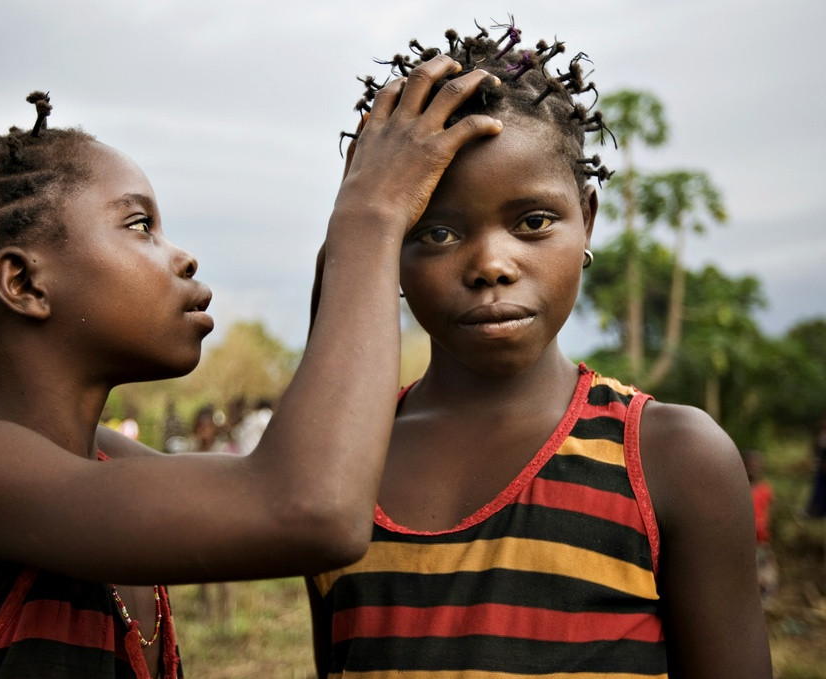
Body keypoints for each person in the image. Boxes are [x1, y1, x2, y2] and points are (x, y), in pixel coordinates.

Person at [0, 62, 502, 679]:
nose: (182, 257)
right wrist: (371, 216)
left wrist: (350, 244)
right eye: (140, 225)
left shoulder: (109, 463)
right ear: (24, 282)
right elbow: (311, 509)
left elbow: (301, 471)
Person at [306, 19, 772, 679]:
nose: (491, 264)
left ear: (588, 216)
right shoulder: (332, 469)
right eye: (436, 232)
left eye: (532, 221)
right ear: (387, 245)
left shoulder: (670, 460)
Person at [743, 449, 778, 604]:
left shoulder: (766, 489)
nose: (754, 467)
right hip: (745, 544)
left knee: (767, 580)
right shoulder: (739, 489)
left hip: (762, 543)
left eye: (757, 464)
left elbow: (771, 512)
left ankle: (765, 607)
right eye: (751, 464)